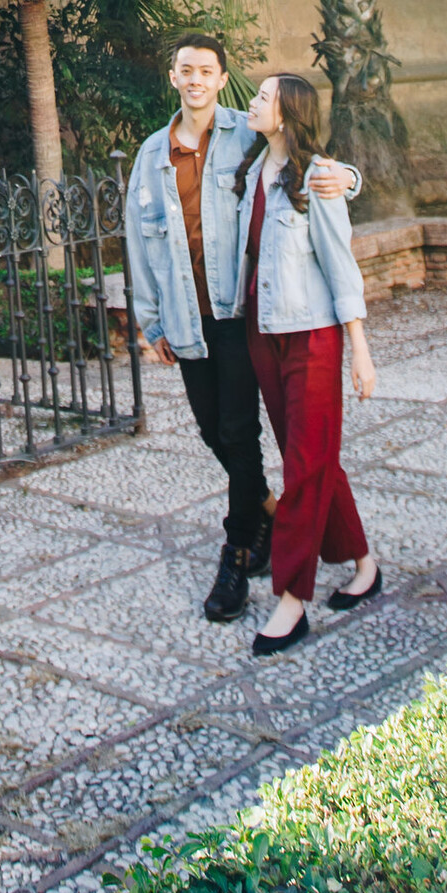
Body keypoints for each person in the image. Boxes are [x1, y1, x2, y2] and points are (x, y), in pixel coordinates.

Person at [123, 36, 361, 623]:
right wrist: (148, 322)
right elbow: (137, 243)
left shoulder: (247, 133)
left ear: (221, 77)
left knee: (238, 429)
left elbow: (305, 156)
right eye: (187, 70)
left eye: (207, 70)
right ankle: (267, 509)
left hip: (239, 316)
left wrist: (348, 178)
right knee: (213, 431)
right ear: (173, 77)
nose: (197, 79)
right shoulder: (152, 157)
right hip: (185, 318)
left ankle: (239, 551)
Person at [231, 71, 379, 657]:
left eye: (263, 97)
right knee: (311, 457)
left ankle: (292, 597)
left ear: (288, 114)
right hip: (264, 332)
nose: (252, 102)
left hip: (313, 335)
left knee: (304, 467)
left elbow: (341, 266)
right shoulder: (252, 172)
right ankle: (364, 562)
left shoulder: (318, 178)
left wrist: (359, 350)